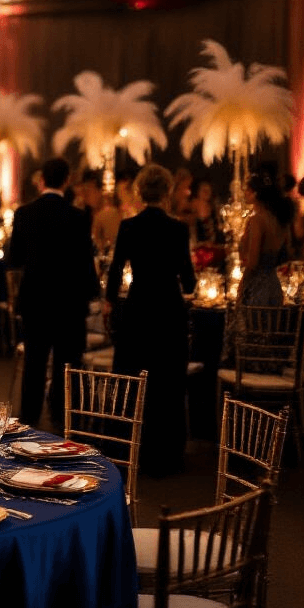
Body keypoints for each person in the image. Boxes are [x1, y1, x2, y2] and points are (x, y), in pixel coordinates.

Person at [104, 163, 196, 476]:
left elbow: (116, 269)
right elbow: (188, 277)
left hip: (139, 306)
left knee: (134, 375)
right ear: (167, 191)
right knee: (167, 379)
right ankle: (167, 453)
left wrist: (108, 302)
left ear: (140, 192)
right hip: (168, 308)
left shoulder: (129, 227)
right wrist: (191, 289)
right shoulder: (179, 228)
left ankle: (127, 448)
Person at [8, 157, 100, 428]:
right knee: (67, 363)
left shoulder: (24, 213)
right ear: (67, 180)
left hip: (35, 299)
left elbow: (14, 259)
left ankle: (29, 420)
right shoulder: (78, 216)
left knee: (34, 363)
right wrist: (94, 294)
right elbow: (86, 261)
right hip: (69, 301)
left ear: (42, 180)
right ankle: (63, 420)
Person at [236, 170, 288, 306]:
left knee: (254, 326)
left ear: (256, 193)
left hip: (258, 288)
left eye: (248, 190)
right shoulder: (273, 219)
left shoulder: (256, 220)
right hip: (274, 285)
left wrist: (242, 286)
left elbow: (253, 261)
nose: (245, 193)